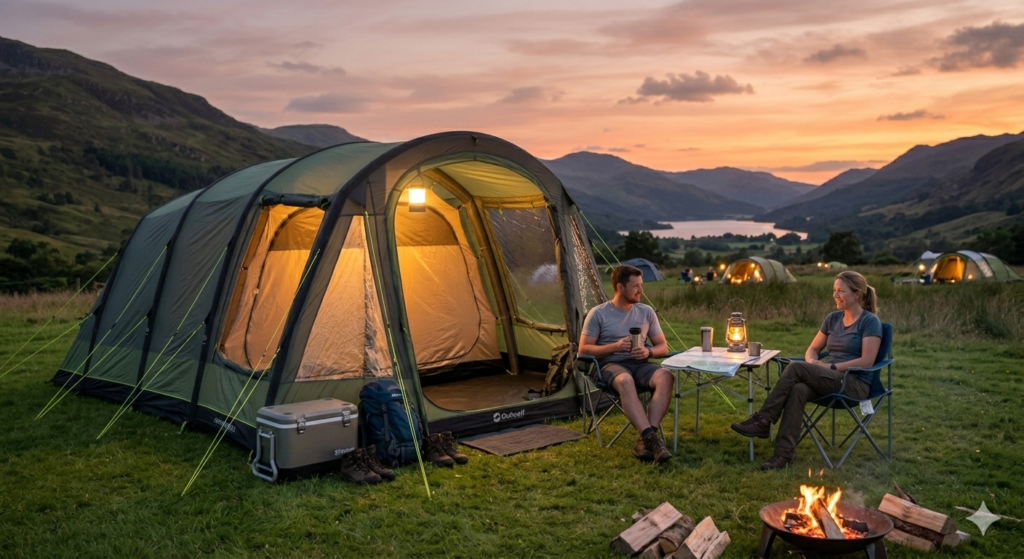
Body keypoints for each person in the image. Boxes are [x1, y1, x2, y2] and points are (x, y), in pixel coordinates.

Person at [730, 271, 881, 470]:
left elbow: (867, 361)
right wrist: (813, 363)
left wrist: (828, 366)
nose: (835, 295)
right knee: (798, 389)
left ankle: (764, 420)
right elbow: (812, 349)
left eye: (841, 291)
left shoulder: (869, 322)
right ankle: (783, 456)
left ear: (857, 294)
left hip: (853, 384)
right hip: (828, 379)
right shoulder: (833, 318)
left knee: (795, 368)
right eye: (834, 290)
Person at [580, 265, 674, 463]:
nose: (641, 290)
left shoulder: (646, 312)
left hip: (640, 364)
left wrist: (648, 351)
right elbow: (584, 350)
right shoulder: (598, 314)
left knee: (666, 375)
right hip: (609, 367)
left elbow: (663, 347)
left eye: (641, 285)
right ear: (620, 287)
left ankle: (647, 438)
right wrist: (614, 346)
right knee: (625, 380)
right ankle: (653, 440)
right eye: (636, 286)